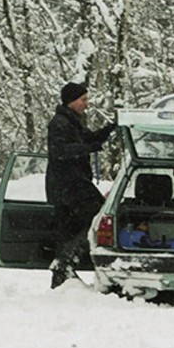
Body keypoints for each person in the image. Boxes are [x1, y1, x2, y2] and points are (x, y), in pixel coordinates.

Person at [46, 82, 117, 289]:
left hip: (75, 185)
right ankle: (65, 264)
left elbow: (90, 137)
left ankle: (62, 274)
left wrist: (110, 129)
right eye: (83, 99)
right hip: (67, 187)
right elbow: (59, 151)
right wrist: (87, 148)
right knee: (96, 218)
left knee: (71, 228)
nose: (86, 103)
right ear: (71, 101)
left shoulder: (73, 122)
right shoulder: (59, 123)